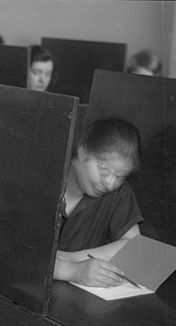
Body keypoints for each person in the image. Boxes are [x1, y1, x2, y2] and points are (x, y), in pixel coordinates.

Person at [53, 118, 143, 287]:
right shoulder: (43, 178)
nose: (110, 184)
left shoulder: (119, 193)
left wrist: (69, 258)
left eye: (120, 176)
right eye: (104, 170)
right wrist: (72, 270)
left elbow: (133, 244)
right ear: (83, 150)